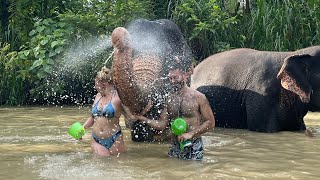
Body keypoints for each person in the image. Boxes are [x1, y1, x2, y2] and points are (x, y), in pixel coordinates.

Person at [132, 64, 215, 160]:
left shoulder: (199, 97)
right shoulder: (169, 99)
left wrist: (191, 134)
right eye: (170, 79)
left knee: (193, 172)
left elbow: (210, 122)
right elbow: (162, 124)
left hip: (193, 145)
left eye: (175, 78)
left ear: (185, 75)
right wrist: (141, 118)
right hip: (175, 145)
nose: (172, 81)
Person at [83, 67, 126, 157]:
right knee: (101, 161)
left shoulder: (118, 98)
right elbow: (93, 117)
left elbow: (130, 116)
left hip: (115, 138)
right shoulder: (98, 96)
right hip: (96, 138)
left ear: (103, 85)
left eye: (96, 85)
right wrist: (82, 129)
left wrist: (143, 114)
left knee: (116, 167)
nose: (95, 88)